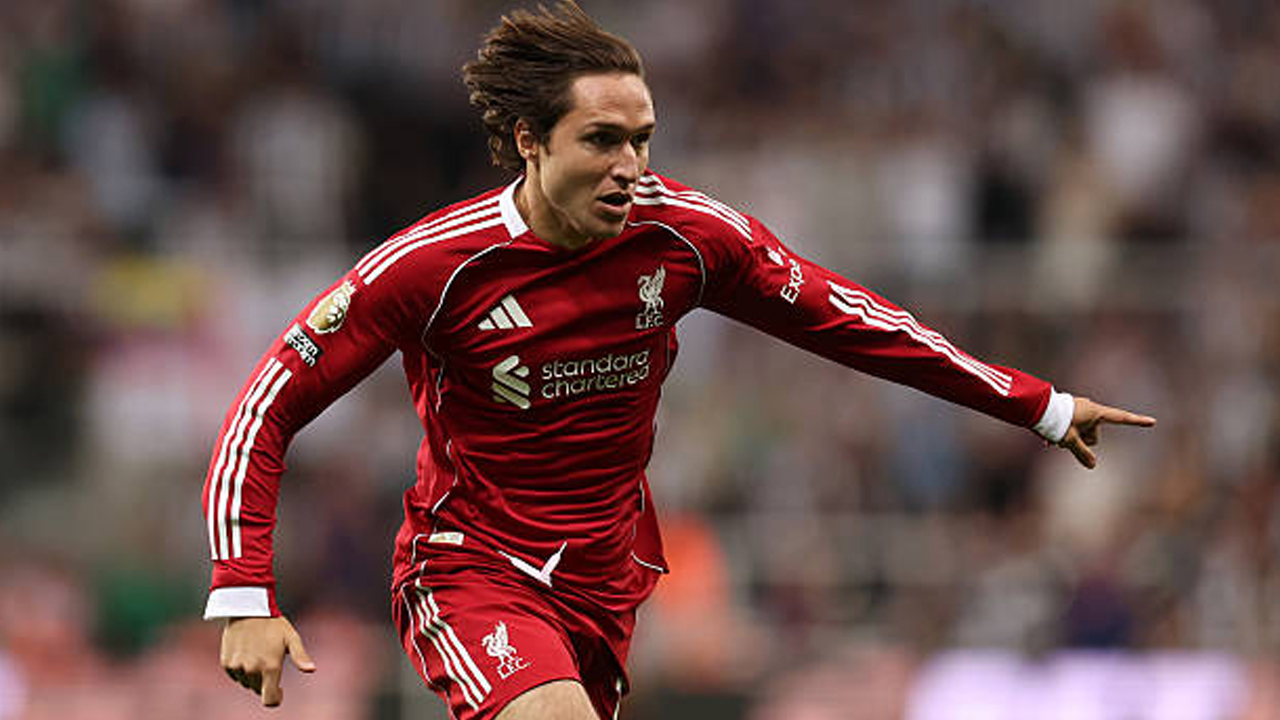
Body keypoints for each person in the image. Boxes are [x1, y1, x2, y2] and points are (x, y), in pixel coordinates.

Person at [202, 3, 1156, 718]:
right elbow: (267, 405)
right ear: (529, 141)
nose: (629, 165)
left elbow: (853, 321)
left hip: (605, 582)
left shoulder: (689, 238)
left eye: (643, 140)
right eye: (601, 140)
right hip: (472, 568)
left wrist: (1038, 405)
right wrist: (243, 589)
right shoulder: (434, 267)